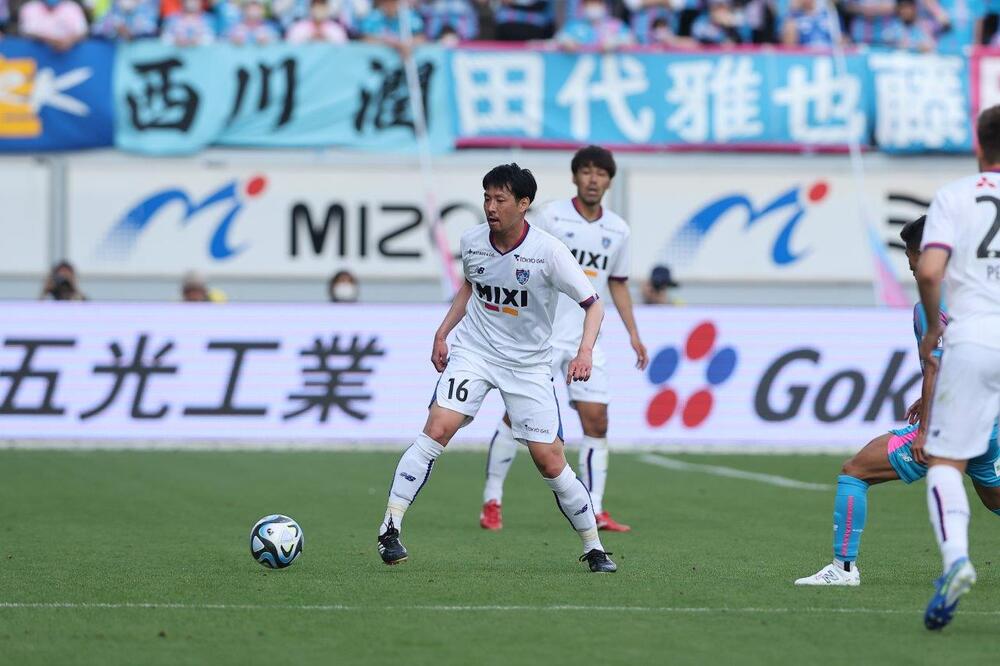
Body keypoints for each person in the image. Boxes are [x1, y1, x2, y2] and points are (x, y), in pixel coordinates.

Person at [376, 163, 617, 573]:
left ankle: (594, 547)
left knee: (550, 461)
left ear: (523, 204)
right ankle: (390, 527)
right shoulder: (473, 241)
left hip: (528, 366)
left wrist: (584, 352)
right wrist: (442, 333)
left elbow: (593, 305)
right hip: (475, 353)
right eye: (486, 198)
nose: (490, 207)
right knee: (437, 428)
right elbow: (470, 285)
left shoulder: (549, 252)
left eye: (500, 199)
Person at [794, 216, 1000, 587]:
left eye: (911, 255)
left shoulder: (931, 304)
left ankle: (843, 569)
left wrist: (925, 430)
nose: (909, 264)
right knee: (994, 500)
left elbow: (936, 365)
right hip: (989, 422)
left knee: (855, 471)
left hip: (951, 425)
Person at [479, 146, 648, 534]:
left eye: (600, 173)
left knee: (597, 420)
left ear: (609, 181)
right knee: (516, 417)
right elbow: (514, 255)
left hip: (585, 338)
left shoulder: (618, 230)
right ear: (575, 177)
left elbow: (617, 284)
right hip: (541, 335)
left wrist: (634, 334)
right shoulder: (551, 216)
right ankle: (492, 498)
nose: (593, 179)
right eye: (586, 171)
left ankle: (596, 507)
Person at [915, 105, 1000, 630]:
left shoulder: (955, 195)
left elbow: (929, 271)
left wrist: (932, 329)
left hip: (975, 337)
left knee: (946, 462)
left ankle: (957, 561)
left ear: (979, 144)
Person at [555, 0, 633, 49]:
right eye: (590, 4)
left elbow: (631, 40)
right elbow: (558, 38)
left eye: (597, 3)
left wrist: (616, 42)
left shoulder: (616, 25)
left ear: (604, 5)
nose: (593, 6)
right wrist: (565, 41)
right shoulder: (574, 25)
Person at [17, 0, 88, 51]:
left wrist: (68, 41)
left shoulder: (72, 7)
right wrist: (51, 40)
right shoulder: (30, 7)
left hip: (69, 56)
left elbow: (82, 31)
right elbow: (27, 31)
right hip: (35, 55)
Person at [360, 0, 425, 54]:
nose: (390, 5)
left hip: (405, 59)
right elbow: (365, 38)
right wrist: (391, 43)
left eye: (393, 2)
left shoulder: (409, 17)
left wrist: (407, 44)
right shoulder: (372, 17)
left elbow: (421, 38)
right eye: (387, 2)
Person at [91, 0, 159, 39]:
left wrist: (131, 32)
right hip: (115, 53)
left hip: (143, 53)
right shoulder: (114, 8)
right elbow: (95, 29)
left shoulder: (147, 7)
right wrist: (115, 28)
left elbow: (151, 29)